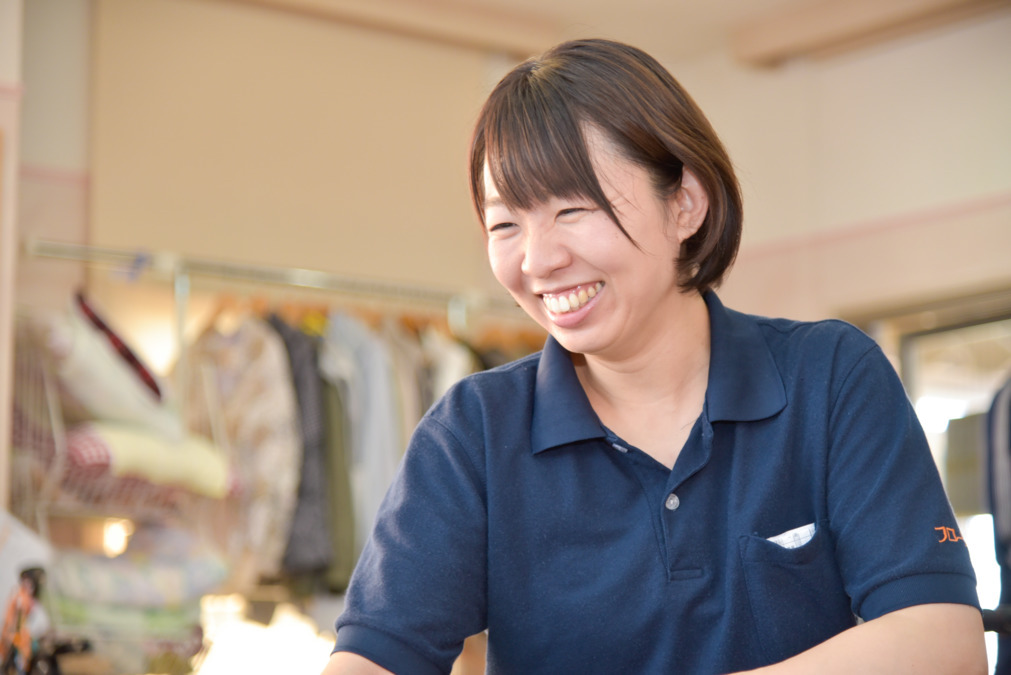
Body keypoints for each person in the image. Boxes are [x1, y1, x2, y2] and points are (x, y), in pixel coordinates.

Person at [321, 38, 986, 674]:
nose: (537, 259)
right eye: (504, 224)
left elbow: (941, 644)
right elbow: (376, 656)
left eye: (573, 209)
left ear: (685, 204)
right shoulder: (473, 431)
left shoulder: (830, 377)